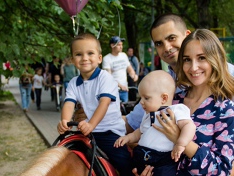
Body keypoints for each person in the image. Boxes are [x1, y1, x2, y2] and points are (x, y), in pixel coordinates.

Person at [134, 29, 234, 175]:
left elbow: (221, 171)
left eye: (201, 58)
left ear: (215, 59)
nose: (193, 67)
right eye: (187, 59)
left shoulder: (225, 110)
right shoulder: (172, 100)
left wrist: (180, 139)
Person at [125, 13, 234, 134]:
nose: (166, 47)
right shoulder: (161, 83)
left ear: (187, 36)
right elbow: (132, 123)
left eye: (171, 38)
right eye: (159, 43)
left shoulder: (229, 75)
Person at [57, 33, 133, 176]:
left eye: (90, 53)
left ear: (99, 58)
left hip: (109, 132)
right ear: (73, 60)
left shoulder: (105, 78)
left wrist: (91, 124)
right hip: (87, 131)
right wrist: (65, 121)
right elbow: (69, 103)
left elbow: (103, 104)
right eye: (79, 54)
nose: (85, 58)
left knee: (123, 161)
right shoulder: (73, 83)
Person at [114, 70, 196, 175]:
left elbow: (189, 126)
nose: (141, 102)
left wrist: (181, 143)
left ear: (164, 98)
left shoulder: (176, 110)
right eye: (141, 98)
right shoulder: (148, 114)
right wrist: (128, 138)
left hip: (162, 159)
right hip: (142, 155)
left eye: (146, 98)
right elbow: (141, 131)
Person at [102, 36, 138, 102]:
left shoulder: (124, 55)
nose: (121, 47)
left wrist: (134, 75)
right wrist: (120, 86)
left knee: (125, 109)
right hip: (113, 91)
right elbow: (108, 77)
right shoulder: (107, 59)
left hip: (125, 90)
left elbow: (129, 69)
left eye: (121, 45)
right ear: (112, 45)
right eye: (118, 45)